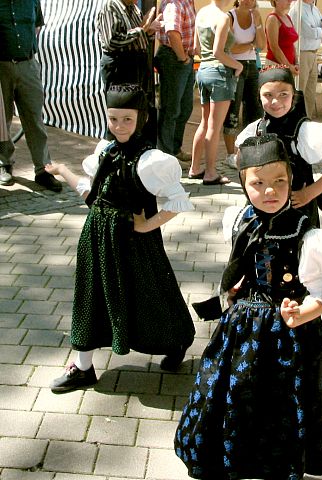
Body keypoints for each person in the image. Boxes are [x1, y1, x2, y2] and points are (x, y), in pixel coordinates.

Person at [174, 133, 322, 479]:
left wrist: (301, 313)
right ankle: (234, 457)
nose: (270, 191)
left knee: (279, 405)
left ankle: (274, 466)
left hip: (289, 335)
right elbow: (242, 265)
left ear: (292, 180)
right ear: (243, 184)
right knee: (234, 391)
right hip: (243, 326)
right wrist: (237, 288)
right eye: (258, 183)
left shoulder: (307, 235)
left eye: (279, 181)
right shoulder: (239, 220)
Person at [47, 84, 196, 393]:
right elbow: (93, 195)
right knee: (91, 296)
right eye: (113, 118)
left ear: (141, 119)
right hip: (97, 238)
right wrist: (63, 170)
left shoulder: (152, 160)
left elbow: (177, 201)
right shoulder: (105, 150)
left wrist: (147, 226)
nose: (119, 126)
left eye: (127, 119)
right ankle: (83, 367)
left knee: (148, 292)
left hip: (133, 243)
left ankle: (177, 340)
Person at [236, 66, 322, 227]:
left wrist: (309, 193)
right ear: (259, 97)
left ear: (293, 95)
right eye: (268, 95)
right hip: (262, 209)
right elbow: (240, 161)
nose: (275, 101)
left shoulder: (305, 130)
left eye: (283, 94)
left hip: (297, 211)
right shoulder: (254, 130)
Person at [0, 0, 62, 191]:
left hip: (28, 64)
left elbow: (36, 27)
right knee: (4, 119)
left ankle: (43, 169)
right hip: (1, 66)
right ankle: (4, 164)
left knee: (35, 118)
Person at [187, 0, 243, 185]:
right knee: (214, 126)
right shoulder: (223, 17)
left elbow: (196, 49)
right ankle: (210, 173)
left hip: (202, 70)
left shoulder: (202, 13)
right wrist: (238, 65)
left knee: (204, 123)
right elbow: (218, 52)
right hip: (219, 73)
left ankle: (195, 168)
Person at [96, 0, 162, 145]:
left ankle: (135, 147)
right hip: (120, 65)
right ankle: (115, 151)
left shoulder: (133, 8)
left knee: (136, 108)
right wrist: (142, 29)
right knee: (120, 110)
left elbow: (138, 36)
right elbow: (111, 41)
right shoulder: (110, 7)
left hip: (137, 64)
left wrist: (148, 31)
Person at [222, 0, 266, 168]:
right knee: (233, 111)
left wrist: (258, 25)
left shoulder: (255, 16)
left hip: (252, 66)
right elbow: (231, 48)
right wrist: (252, 44)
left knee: (255, 108)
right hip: (235, 67)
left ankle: (252, 150)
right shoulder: (230, 17)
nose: (249, 1)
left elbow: (262, 45)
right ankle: (229, 155)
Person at [155, 0, 196, 161]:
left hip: (183, 58)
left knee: (185, 108)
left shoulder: (186, 2)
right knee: (171, 109)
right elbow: (172, 32)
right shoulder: (174, 4)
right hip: (174, 58)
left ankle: (174, 148)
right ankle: (166, 155)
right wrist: (182, 57)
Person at [289, 0, 322, 118]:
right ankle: (296, 119)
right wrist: (321, 29)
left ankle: (307, 118)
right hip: (302, 54)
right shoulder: (298, 9)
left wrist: (321, 29)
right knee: (299, 90)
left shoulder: (315, 9)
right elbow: (310, 32)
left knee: (311, 91)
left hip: (313, 54)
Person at [264, 0, 299, 77]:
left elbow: (291, 44)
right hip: (275, 66)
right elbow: (274, 47)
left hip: (288, 67)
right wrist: (289, 66)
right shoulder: (272, 18)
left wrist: (296, 63)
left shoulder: (288, 17)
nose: (290, 1)